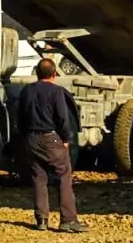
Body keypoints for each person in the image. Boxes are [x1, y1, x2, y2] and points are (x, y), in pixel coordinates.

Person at [17, 58, 88, 233]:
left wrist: (26, 137)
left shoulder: (27, 91)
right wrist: (65, 139)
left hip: (31, 138)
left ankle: (41, 219)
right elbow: (63, 118)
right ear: (54, 74)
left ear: (37, 73)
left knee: (39, 178)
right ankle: (68, 220)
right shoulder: (57, 92)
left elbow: (20, 116)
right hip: (51, 137)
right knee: (63, 174)